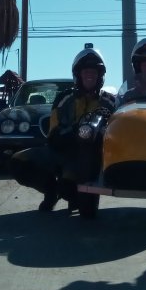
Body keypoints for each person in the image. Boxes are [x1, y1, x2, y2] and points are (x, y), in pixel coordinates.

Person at [9, 45, 115, 212]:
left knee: (71, 190)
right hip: (63, 152)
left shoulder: (110, 102)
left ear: (100, 76)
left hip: (92, 160)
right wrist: (74, 133)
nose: (89, 74)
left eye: (94, 71)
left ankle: (73, 194)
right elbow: (53, 134)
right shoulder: (64, 98)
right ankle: (51, 192)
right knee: (18, 161)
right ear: (78, 74)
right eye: (85, 71)